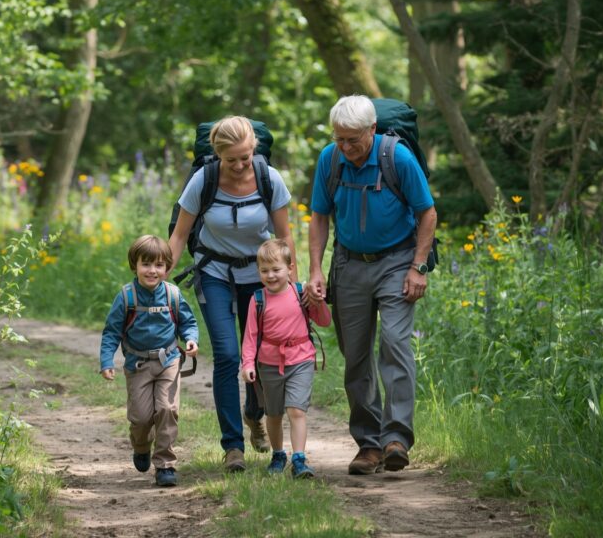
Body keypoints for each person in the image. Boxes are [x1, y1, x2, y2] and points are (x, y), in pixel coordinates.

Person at [306, 95, 438, 475]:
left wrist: (418, 266)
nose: (345, 148)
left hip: (397, 262)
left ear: (372, 130)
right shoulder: (330, 159)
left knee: (396, 345)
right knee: (356, 354)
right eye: (340, 139)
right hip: (349, 265)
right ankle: (369, 443)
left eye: (353, 140)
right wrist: (316, 270)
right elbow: (319, 217)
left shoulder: (397, 158)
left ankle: (395, 438)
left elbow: (426, 211)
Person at [168, 115, 298, 472]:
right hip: (214, 272)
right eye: (232, 160)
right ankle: (232, 447)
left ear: (254, 148)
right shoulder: (204, 180)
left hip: (261, 277)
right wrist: (161, 280)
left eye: (245, 156)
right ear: (218, 155)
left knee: (258, 357)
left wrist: (294, 289)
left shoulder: (269, 179)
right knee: (227, 354)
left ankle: (254, 413)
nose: (240, 165)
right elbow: (180, 235)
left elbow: (285, 239)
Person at [100, 235, 199, 487]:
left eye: (158, 265)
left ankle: (165, 464)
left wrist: (190, 339)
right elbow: (111, 332)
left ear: (167, 267)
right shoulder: (126, 297)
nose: (152, 271)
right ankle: (142, 446)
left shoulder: (172, 295)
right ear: (135, 265)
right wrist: (106, 361)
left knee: (167, 409)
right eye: (146, 264)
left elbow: (187, 322)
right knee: (141, 418)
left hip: (169, 361)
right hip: (138, 365)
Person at [241, 239, 330, 478]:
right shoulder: (257, 299)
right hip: (269, 363)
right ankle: (278, 454)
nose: (271, 275)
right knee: (274, 413)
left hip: (301, 359)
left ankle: (299, 458)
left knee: (296, 410)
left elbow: (323, 321)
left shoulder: (300, 292)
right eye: (264, 270)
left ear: (290, 268)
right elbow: (250, 336)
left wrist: (318, 301)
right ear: (258, 272)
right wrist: (248, 363)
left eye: (276, 269)